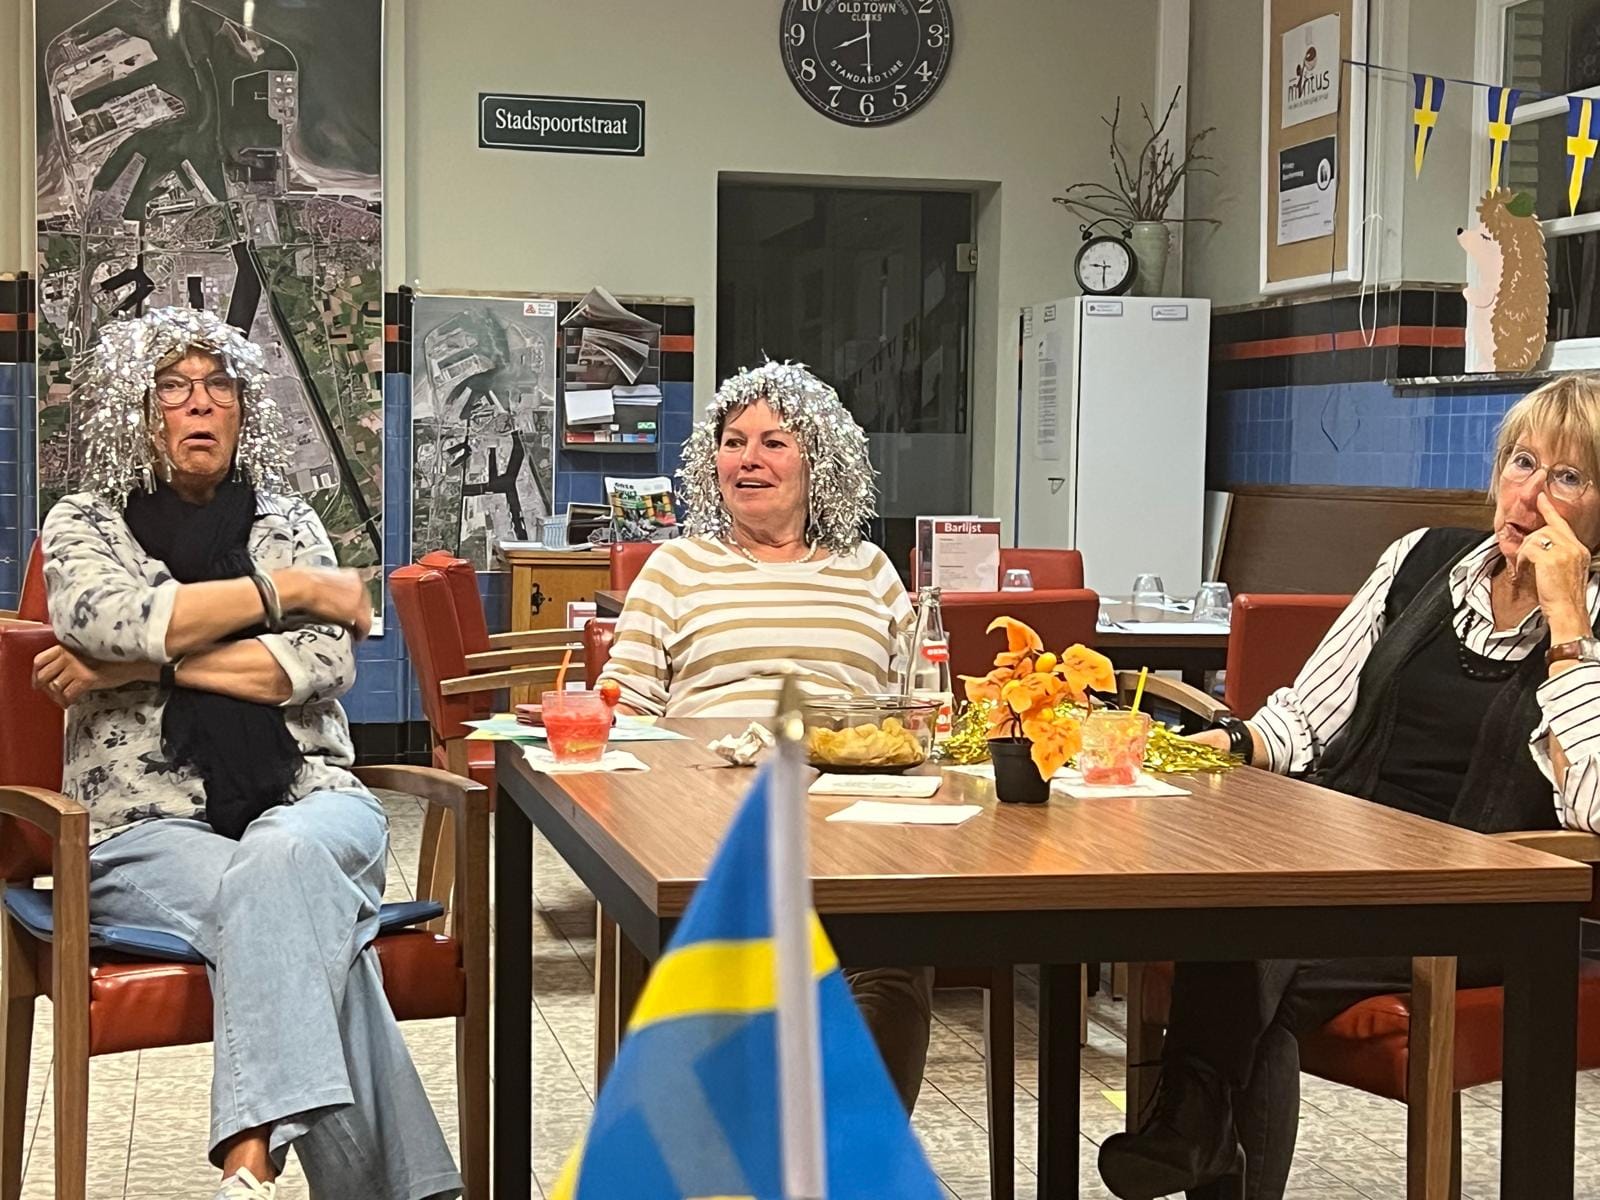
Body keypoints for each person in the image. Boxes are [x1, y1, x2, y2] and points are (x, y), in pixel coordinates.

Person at [1098, 371, 1600, 1200]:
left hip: (1483, 900)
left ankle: (1188, 1121)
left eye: (1568, 477)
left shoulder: (1592, 625)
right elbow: (1309, 717)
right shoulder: (1422, 562)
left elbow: (1592, 810)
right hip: (1347, 867)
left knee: (1252, 934)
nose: (1531, 495)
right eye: (1521, 462)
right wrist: (1222, 744)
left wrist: (1569, 628)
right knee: (1243, 924)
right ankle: (1198, 1133)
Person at [32, 308, 461, 1200]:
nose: (200, 404)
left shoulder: (286, 516)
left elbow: (318, 662)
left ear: (241, 408)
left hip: (309, 794)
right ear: (136, 410)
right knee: (301, 913)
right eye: (173, 387)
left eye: (218, 385)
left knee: (282, 855)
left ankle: (251, 1156)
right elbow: (110, 619)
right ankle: (403, 1188)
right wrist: (286, 592)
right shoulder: (85, 521)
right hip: (145, 827)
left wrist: (142, 663)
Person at [597, 359, 933, 1110]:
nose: (748, 459)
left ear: (820, 463)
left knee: (895, 951)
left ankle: (847, 1152)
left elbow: (917, 705)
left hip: (853, 813)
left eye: (774, 442)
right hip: (711, 810)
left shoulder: (869, 570)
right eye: (733, 442)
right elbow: (626, 708)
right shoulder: (676, 567)